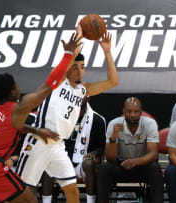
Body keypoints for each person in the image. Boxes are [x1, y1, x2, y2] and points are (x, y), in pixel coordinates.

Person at [0, 33, 83, 203]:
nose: (19, 88)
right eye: (16, 86)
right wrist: (68, 55)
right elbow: (50, 84)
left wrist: (35, 130)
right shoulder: (19, 108)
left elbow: (6, 126)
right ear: (12, 91)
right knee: (30, 201)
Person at [16, 32, 118, 203]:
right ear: (68, 68)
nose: (80, 71)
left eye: (83, 67)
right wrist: (70, 52)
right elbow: (64, 65)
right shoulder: (57, 83)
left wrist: (107, 52)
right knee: (21, 191)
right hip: (39, 141)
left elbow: (112, 81)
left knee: (72, 191)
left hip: (57, 146)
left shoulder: (82, 90)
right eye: (75, 67)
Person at [39, 96, 106, 203]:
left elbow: (103, 146)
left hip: (82, 163)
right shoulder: (60, 118)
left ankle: (91, 201)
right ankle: (46, 201)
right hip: (62, 161)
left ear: (87, 98)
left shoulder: (97, 120)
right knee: (47, 164)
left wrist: (94, 153)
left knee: (89, 164)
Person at [97, 97, 163, 203]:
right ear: (124, 112)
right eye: (129, 111)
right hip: (121, 165)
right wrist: (113, 138)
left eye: (136, 111)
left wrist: (135, 162)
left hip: (142, 165)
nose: (132, 115)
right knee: (105, 168)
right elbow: (110, 158)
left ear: (141, 113)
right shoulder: (114, 124)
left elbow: (153, 155)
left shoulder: (149, 124)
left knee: (155, 167)